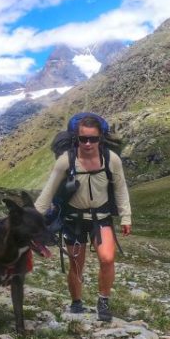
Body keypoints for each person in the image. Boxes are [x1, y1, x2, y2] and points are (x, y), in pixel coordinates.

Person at [35, 114, 132, 322]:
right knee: (77, 265)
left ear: (101, 138)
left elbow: (121, 188)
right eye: (83, 139)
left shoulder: (111, 159)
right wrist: (32, 217)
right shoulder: (66, 161)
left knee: (107, 259)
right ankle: (76, 303)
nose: (88, 143)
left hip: (101, 218)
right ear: (76, 138)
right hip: (74, 220)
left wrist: (126, 217)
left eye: (93, 139)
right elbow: (48, 192)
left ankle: (103, 301)